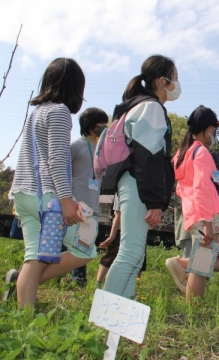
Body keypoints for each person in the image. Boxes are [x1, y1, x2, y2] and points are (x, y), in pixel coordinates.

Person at [5, 58, 93, 308]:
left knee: (34, 257)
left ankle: (25, 320)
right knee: (85, 249)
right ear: (76, 87)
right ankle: (23, 284)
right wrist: (66, 200)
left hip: (23, 194)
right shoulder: (60, 112)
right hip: (47, 199)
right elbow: (55, 160)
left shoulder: (37, 113)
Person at [102, 54, 176, 300]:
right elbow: (149, 156)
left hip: (133, 182)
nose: (177, 84)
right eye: (175, 78)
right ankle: (105, 321)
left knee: (133, 254)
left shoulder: (138, 104)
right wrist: (154, 201)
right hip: (138, 183)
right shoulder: (151, 108)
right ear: (162, 81)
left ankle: (120, 318)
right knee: (131, 253)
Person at [169, 105, 219, 299]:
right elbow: (202, 189)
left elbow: (181, 189)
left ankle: (183, 266)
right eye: (214, 129)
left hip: (198, 216)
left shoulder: (183, 153)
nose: (215, 133)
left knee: (218, 262)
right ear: (207, 129)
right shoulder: (201, 153)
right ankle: (193, 307)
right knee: (207, 264)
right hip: (205, 217)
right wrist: (208, 223)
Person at [69, 107, 109, 288]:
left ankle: (77, 281)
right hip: (76, 205)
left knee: (84, 244)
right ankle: (77, 282)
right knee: (73, 244)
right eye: (102, 123)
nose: (105, 127)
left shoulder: (103, 150)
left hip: (93, 206)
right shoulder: (76, 147)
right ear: (91, 125)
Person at [95, 195, 146, 289]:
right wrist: (112, 236)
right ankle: (98, 283)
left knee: (139, 259)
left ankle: (135, 287)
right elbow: (118, 214)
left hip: (137, 230)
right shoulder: (122, 191)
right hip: (123, 230)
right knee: (110, 256)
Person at [167, 192, 192, 293]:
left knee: (204, 264)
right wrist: (188, 204)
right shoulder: (182, 177)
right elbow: (169, 193)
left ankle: (194, 296)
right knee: (189, 266)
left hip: (206, 228)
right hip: (189, 228)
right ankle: (185, 294)